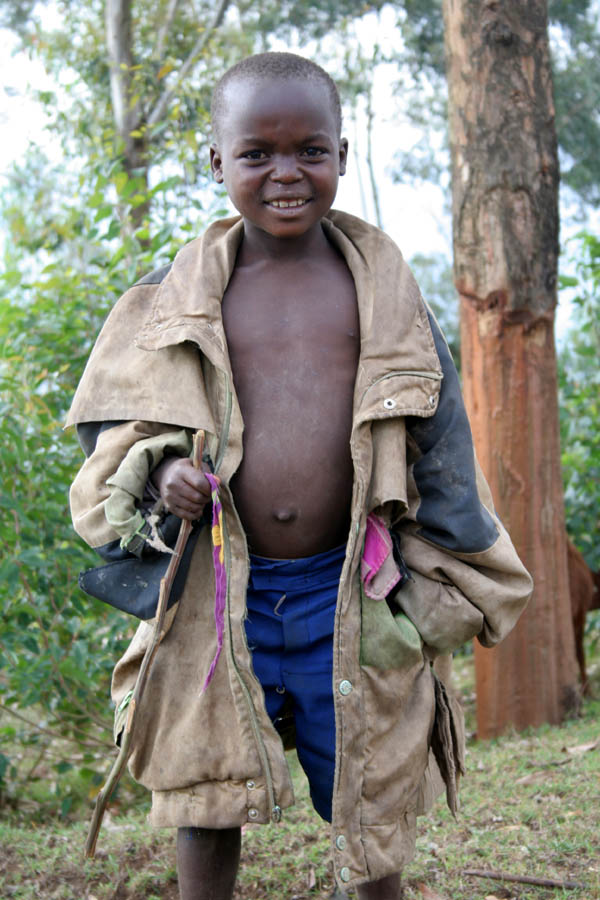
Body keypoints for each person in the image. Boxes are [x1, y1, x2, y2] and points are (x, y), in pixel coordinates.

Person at [67, 52, 532, 900]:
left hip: (347, 589)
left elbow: (443, 446)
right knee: (204, 790)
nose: (286, 173)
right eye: (257, 154)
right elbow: (117, 436)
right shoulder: (170, 301)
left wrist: (444, 581)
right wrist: (164, 469)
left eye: (309, 150)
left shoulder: (384, 298)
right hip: (216, 590)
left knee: (371, 793)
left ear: (343, 155)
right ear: (217, 162)